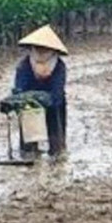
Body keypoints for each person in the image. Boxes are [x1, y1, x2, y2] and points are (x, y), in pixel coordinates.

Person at [12, 25, 68, 158]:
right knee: (28, 147)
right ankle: (29, 152)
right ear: (32, 48)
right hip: (29, 104)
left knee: (57, 145)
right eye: (38, 48)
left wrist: (45, 99)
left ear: (53, 51)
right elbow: (20, 89)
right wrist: (16, 100)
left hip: (54, 103)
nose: (41, 52)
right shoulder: (24, 66)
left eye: (45, 49)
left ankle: (57, 152)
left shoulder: (59, 67)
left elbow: (57, 93)